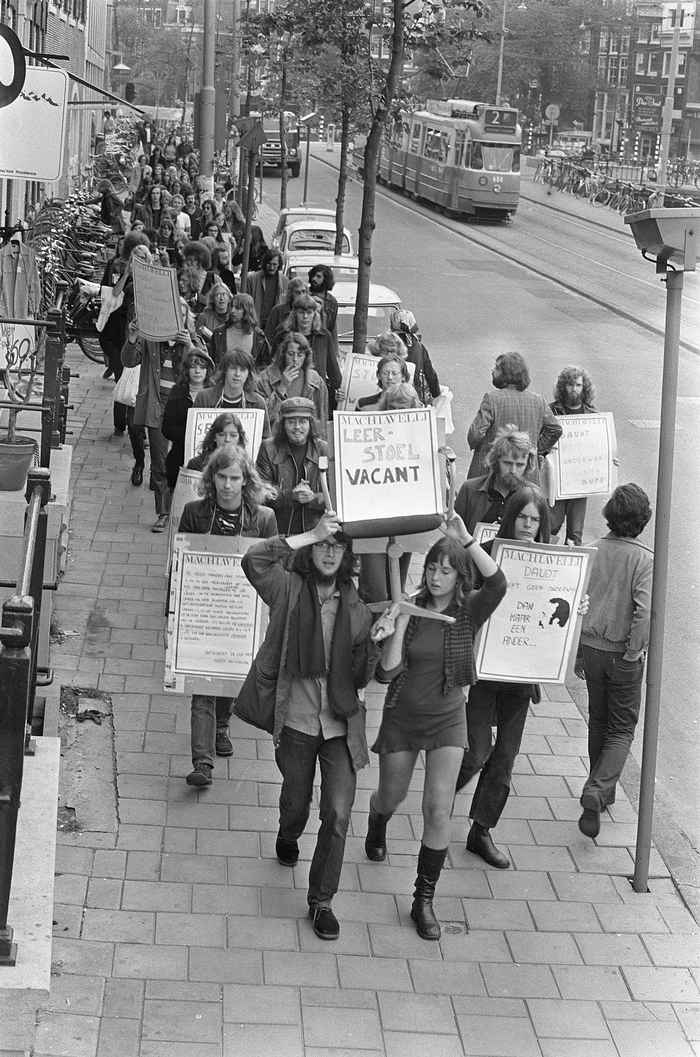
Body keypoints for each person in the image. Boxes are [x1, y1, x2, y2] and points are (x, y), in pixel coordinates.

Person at [237, 511, 379, 941]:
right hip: (296, 721)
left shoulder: (357, 607)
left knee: (336, 814)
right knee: (296, 800)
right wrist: (307, 534)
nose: (330, 551)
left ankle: (322, 901)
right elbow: (253, 562)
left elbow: (366, 676)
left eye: (337, 545)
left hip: (340, 725)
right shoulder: (288, 588)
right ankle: (288, 830)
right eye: (323, 544)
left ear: (348, 555)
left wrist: (378, 642)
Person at [366, 514, 507, 940]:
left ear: (458, 575)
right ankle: (377, 821)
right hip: (404, 713)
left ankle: (423, 899)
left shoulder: (467, 612)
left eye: (446, 569)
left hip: (448, 716)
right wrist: (399, 621)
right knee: (392, 793)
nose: (437, 575)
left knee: (438, 806)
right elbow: (386, 674)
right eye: (432, 567)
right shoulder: (408, 604)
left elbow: (498, 585)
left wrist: (465, 539)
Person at [455, 485, 551, 869]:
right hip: (484, 668)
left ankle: (480, 831)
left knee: (505, 759)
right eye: (522, 517)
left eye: (535, 520)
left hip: (520, 674)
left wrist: (578, 605)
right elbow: (468, 598)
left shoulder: (551, 561)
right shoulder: (489, 553)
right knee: (477, 749)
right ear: (510, 517)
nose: (528, 525)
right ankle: (441, 795)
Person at [179, 446, 277, 787]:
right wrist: (172, 617)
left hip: (242, 614)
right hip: (203, 611)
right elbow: (180, 564)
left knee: (231, 675)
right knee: (200, 683)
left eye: (234, 478)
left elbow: (272, 570)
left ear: (245, 480)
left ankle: (222, 724)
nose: (227, 485)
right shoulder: (193, 513)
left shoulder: (263, 519)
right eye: (221, 477)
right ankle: (201, 763)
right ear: (212, 478)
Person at [575, 483, 652, 839]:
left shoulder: (593, 550)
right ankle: (597, 789)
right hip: (622, 653)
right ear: (643, 520)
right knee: (622, 728)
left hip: (591, 648)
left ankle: (600, 790)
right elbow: (644, 611)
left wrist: (577, 650)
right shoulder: (644, 560)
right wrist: (635, 650)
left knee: (598, 719)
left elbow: (579, 601)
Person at [122, 302, 205, 531]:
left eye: (182, 313)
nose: (177, 318)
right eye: (172, 312)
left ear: (188, 318)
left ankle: (186, 508)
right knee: (160, 463)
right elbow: (128, 361)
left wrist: (188, 345)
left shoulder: (193, 341)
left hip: (185, 409)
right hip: (157, 407)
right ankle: (164, 512)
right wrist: (132, 337)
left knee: (186, 461)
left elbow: (207, 369)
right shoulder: (151, 339)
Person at [467, 352, 562, 479]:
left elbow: (475, 435)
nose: (492, 370)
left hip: (490, 475)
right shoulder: (538, 400)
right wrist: (534, 448)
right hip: (526, 475)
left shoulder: (492, 399)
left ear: (507, 374)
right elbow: (555, 429)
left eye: (496, 368)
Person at [256, 396, 328, 535]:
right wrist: (289, 496)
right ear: (283, 424)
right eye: (291, 421)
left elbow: (337, 496)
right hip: (278, 530)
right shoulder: (268, 448)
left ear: (310, 424)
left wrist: (313, 498)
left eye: (302, 421)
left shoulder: (324, 449)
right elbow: (260, 491)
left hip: (316, 532)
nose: (297, 427)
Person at [454, 428, 539, 534]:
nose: (513, 470)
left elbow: (541, 538)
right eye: (507, 463)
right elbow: (455, 534)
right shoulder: (470, 489)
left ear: (527, 466)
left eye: (520, 465)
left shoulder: (535, 495)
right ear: (496, 461)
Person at [549, 365, 597, 546]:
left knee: (575, 534)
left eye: (577, 385)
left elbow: (598, 448)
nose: (574, 389)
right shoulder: (551, 411)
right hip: (556, 481)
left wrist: (608, 463)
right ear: (562, 387)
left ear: (584, 387)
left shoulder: (593, 415)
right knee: (551, 527)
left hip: (579, 482)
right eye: (569, 385)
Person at [161, 347, 215, 490]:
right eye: (193, 367)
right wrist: (189, 435)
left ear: (207, 370)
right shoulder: (177, 392)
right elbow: (166, 428)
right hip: (180, 455)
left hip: (209, 459)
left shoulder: (216, 394)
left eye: (202, 367)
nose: (197, 371)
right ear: (186, 370)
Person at [257, 332, 328, 435]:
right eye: (291, 354)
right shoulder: (265, 378)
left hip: (305, 438)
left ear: (306, 356)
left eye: (300, 355)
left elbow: (322, 418)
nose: (295, 359)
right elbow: (263, 417)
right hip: (276, 438)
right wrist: (282, 387)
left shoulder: (316, 380)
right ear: (283, 354)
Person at [282, 294, 341, 412]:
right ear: (294, 314)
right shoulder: (284, 336)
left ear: (315, 314)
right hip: (290, 390)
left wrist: (339, 388)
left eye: (309, 312)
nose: (305, 317)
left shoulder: (324, 336)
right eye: (301, 312)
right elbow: (275, 365)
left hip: (316, 391)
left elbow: (332, 368)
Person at [195, 348, 271, 436]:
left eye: (242, 370)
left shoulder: (258, 403)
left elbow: (265, 439)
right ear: (225, 371)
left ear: (249, 374)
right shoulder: (204, 398)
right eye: (233, 368)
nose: (237, 374)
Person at [389, 308, 441, 405]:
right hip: (415, 397)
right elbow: (430, 374)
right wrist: (436, 393)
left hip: (391, 396)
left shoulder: (387, 344)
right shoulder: (419, 347)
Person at [211, 292, 270, 369]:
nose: (232, 311)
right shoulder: (219, 333)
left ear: (247, 310)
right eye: (232, 306)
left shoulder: (259, 337)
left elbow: (265, 365)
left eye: (237, 308)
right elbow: (211, 361)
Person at [246, 248, 288, 330]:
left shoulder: (284, 281)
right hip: (256, 323)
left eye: (274, 264)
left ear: (279, 265)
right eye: (269, 264)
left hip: (275, 324)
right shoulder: (252, 279)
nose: (271, 267)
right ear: (264, 263)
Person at [265, 277, 308, 346]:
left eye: (303, 291)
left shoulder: (309, 312)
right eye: (297, 292)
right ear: (291, 293)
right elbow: (268, 336)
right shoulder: (277, 311)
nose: (301, 295)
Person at [308, 265, 338, 349]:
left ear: (326, 279)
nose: (314, 279)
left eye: (318, 277)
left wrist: (335, 350)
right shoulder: (304, 296)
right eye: (313, 275)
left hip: (324, 345)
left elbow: (332, 328)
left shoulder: (332, 302)